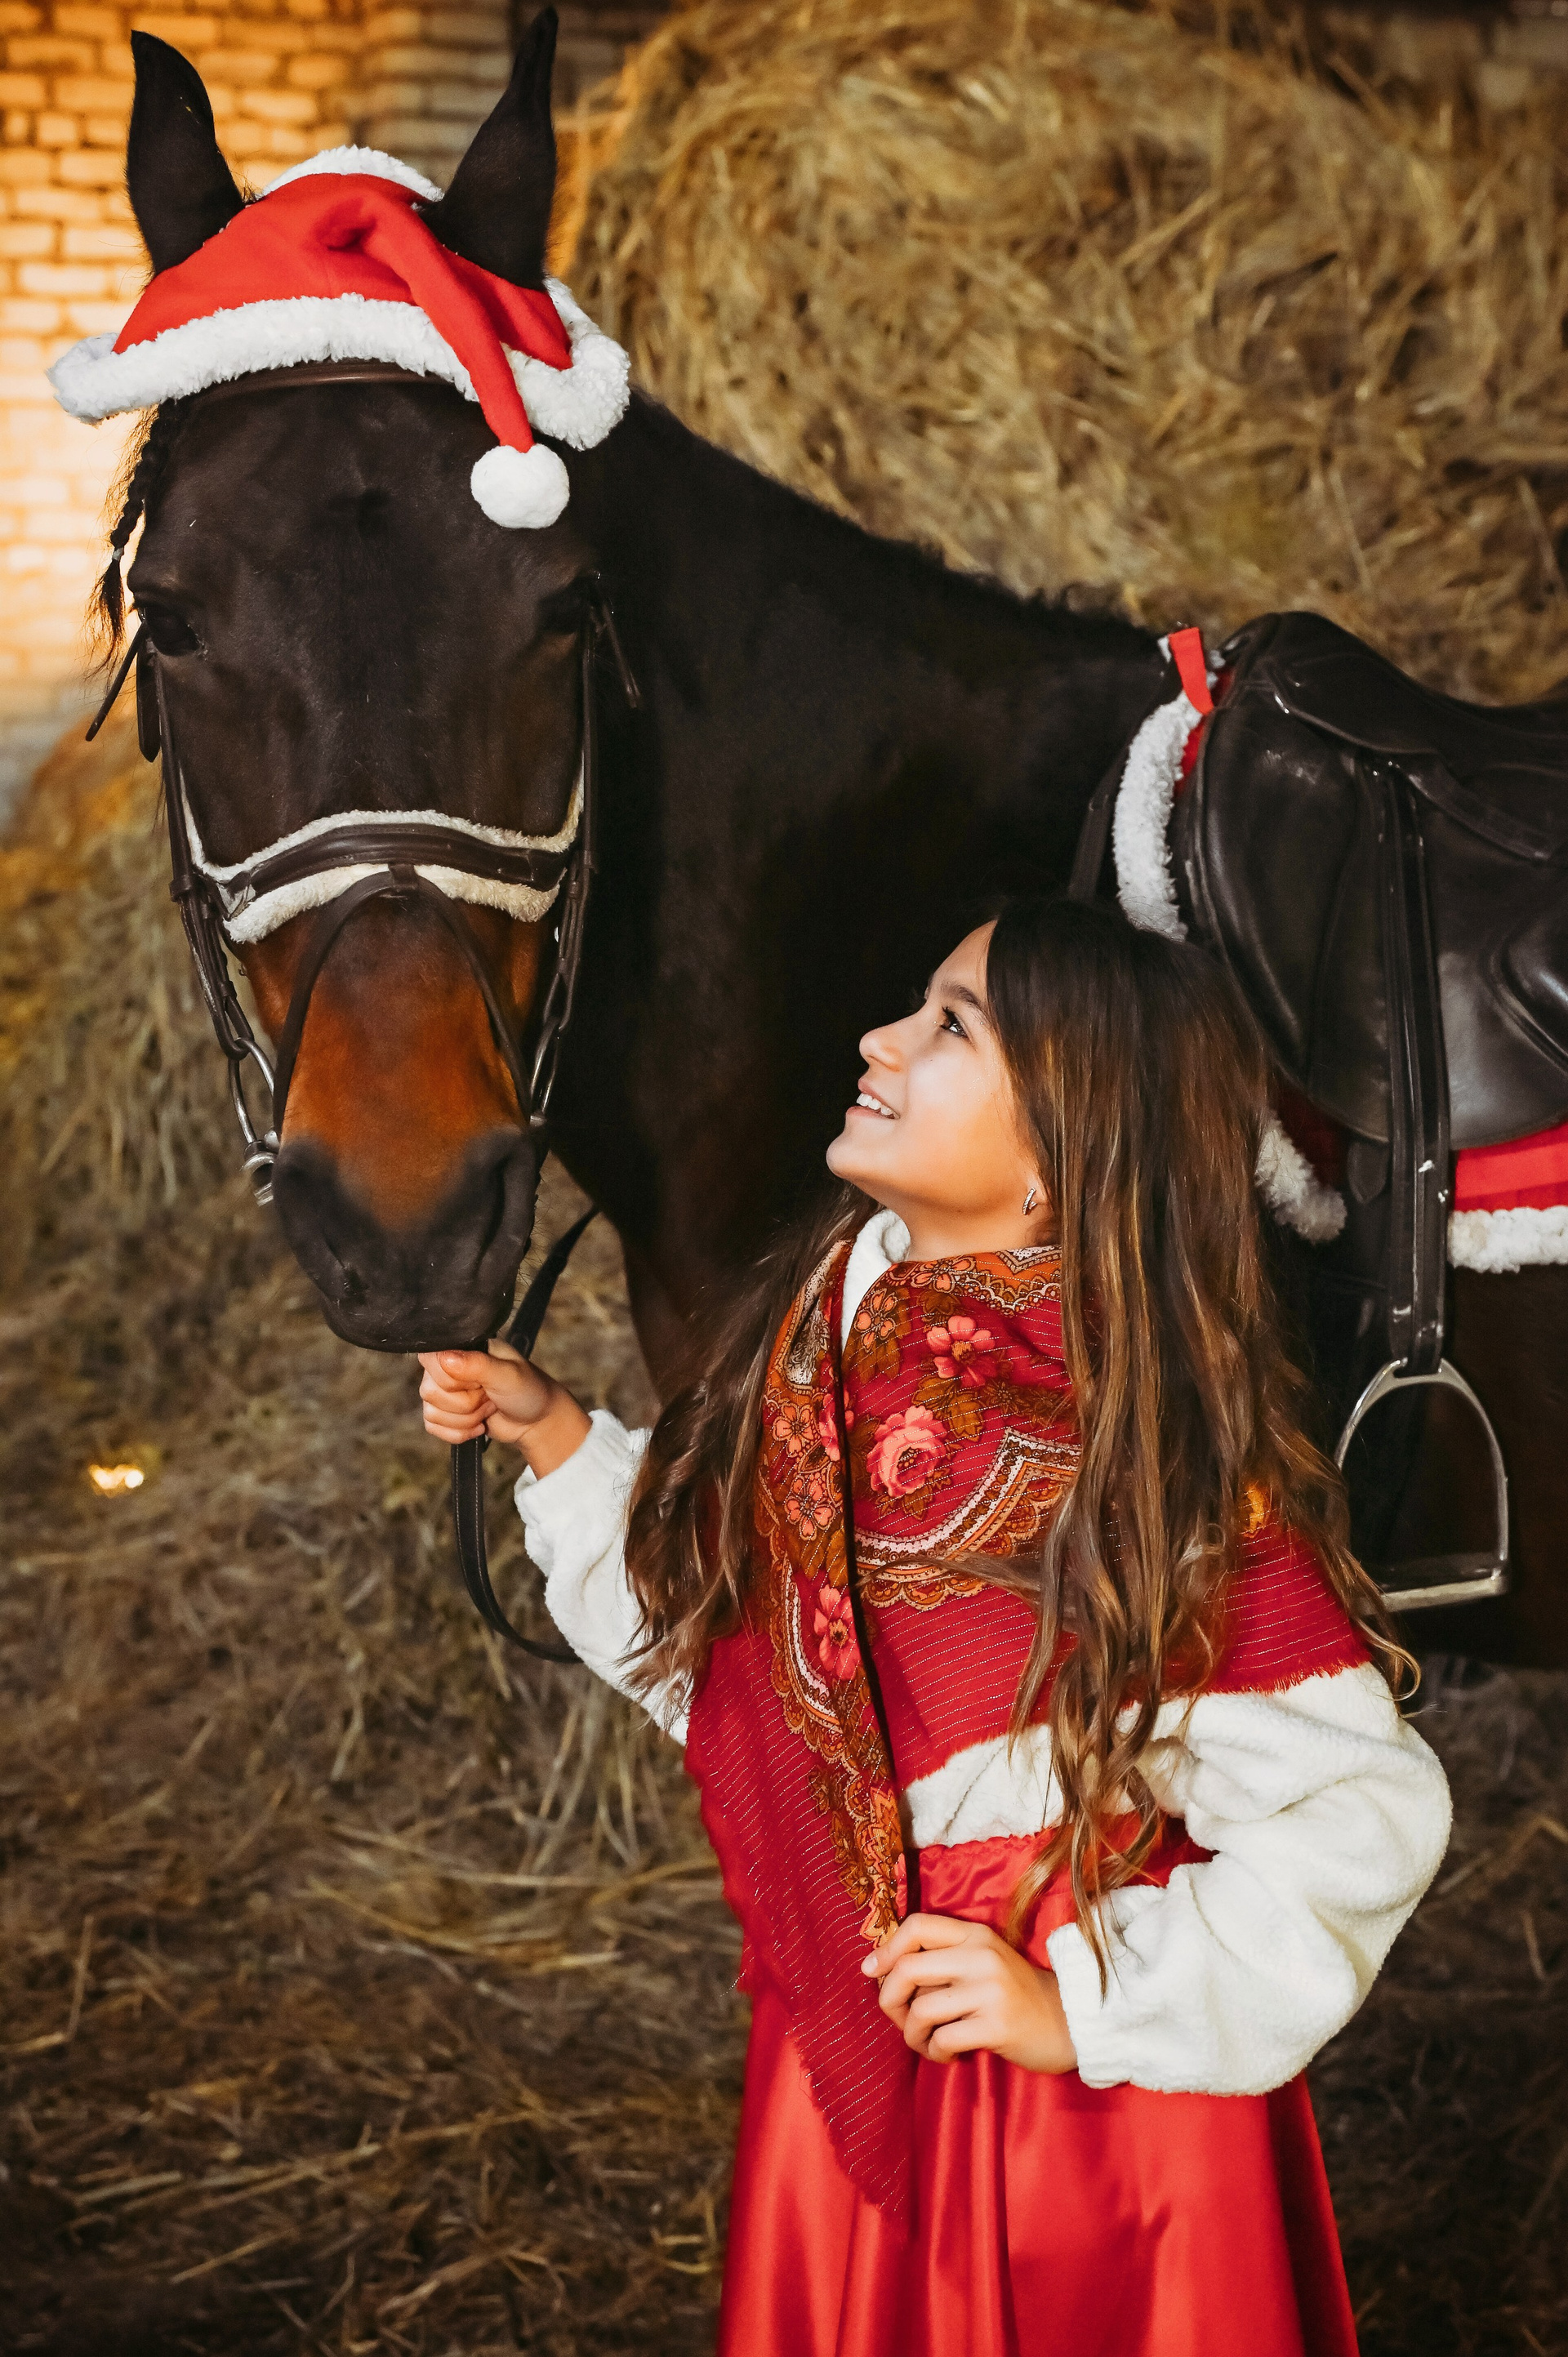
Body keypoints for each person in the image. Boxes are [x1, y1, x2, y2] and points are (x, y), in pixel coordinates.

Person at [418, 898, 1450, 2357]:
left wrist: (1082, 2001)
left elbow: (1362, 1810)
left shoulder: (1136, 1459)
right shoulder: (833, 1345)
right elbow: (746, 1647)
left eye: (951, 1024)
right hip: (865, 2010)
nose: (879, 1040)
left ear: (1057, 1157)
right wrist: (555, 1435)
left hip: (1066, 2108)